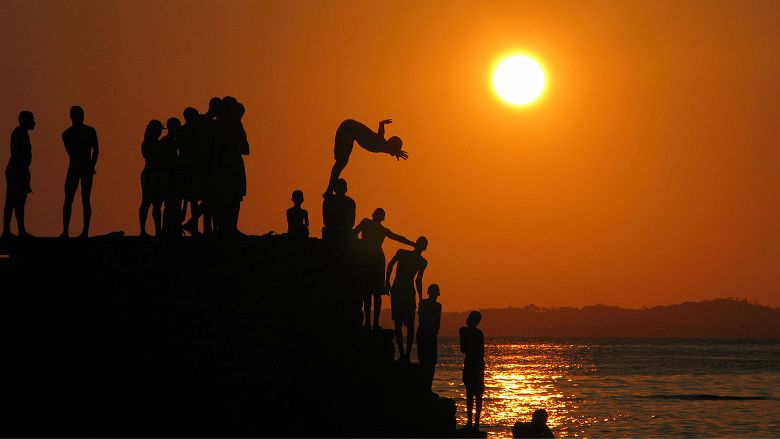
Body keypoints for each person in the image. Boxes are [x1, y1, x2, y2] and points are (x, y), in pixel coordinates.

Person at [354, 208, 414, 329]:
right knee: (368, 293)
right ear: (374, 216)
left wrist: (412, 243)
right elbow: (354, 233)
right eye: (378, 215)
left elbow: (398, 237)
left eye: (379, 216)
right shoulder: (367, 223)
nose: (378, 218)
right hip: (368, 261)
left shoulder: (381, 229)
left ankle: (374, 322)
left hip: (376, 262)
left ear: (381, 218)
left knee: (375, 293)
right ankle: (369, 322)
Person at [324, 119, 408, 197]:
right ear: (391, 146)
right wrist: (348, 143)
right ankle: (329, 190)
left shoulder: (384, 145)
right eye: (395, 150)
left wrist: (397, 152)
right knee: (341, 161)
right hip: (348, 128)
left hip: (350, 129)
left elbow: (387, 144)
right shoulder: (381, 143)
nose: (393, 154)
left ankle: (329, 190)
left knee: (341, 161)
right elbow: (381, 128)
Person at [385, 236, 428, 362]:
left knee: (408, 325)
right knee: (399, 324)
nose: (421, 247)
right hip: (399, 291)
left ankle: (406, 355)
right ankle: (403, 355)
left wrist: (420, 299)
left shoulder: (422, 262)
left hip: (407, 292)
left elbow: (418, 280)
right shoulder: (402, 253)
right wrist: (387, 282)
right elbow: (390, 265)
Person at [60, 105, 99, 238]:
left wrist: (92, 165)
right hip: (75, 168)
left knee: (85, 200)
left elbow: (96, 150)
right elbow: (71, 153)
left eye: (82, 114)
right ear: (72, 116)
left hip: (85, 168)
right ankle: (65, 231)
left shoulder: (90, 131)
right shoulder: (66, 134)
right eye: (79, 114)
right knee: (69, 199)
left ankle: (85, 231)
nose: (82, 117)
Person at [3, 111, 36, 239]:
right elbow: (18, 155)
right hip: (16, 171)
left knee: (19, 202)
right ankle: (8, 231)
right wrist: (21, 174)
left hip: (19, 171)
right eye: (31, 119)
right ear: (24, 120)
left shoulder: (22, 133)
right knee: (12, 201)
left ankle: (20, 230)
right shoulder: (18, 133)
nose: (34, 122)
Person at [138, 120, 166, 237]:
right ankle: (143, 230)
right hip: (150, 175)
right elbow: (153, 157)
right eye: (159, 130)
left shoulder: (157, 143)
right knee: (146, 203)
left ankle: (158, 231)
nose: (160, 132)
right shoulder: (147, 144)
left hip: (158, 175)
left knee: (157, 205)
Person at [460, 311, 485, 431]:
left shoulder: (469, 332)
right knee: (473, 395)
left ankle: (474, 423)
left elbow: (466, 349)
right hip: (473, 364)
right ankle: (472, 423)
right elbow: (464, 349)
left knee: (474, 395)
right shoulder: (466, 331)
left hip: (474, 365)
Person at [417, 284, 442, 395]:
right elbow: (423, 319)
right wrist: (433, 331)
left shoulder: (437, 305)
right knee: (426, 362)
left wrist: (434, 331)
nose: (435, 296)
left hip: (429, 334)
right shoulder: (425, 304)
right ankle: (425, 387)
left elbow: (437, 321)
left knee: (430, 362)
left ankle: (427, 387)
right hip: (425, 334)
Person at [160, 117, 182, 236]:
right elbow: (169, 160)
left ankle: (173, 228)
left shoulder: (170, 140)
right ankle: (169, 229)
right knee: (170, 203)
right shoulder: (168, 142)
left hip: (171, 176)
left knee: (173, 203)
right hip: (169, 176)